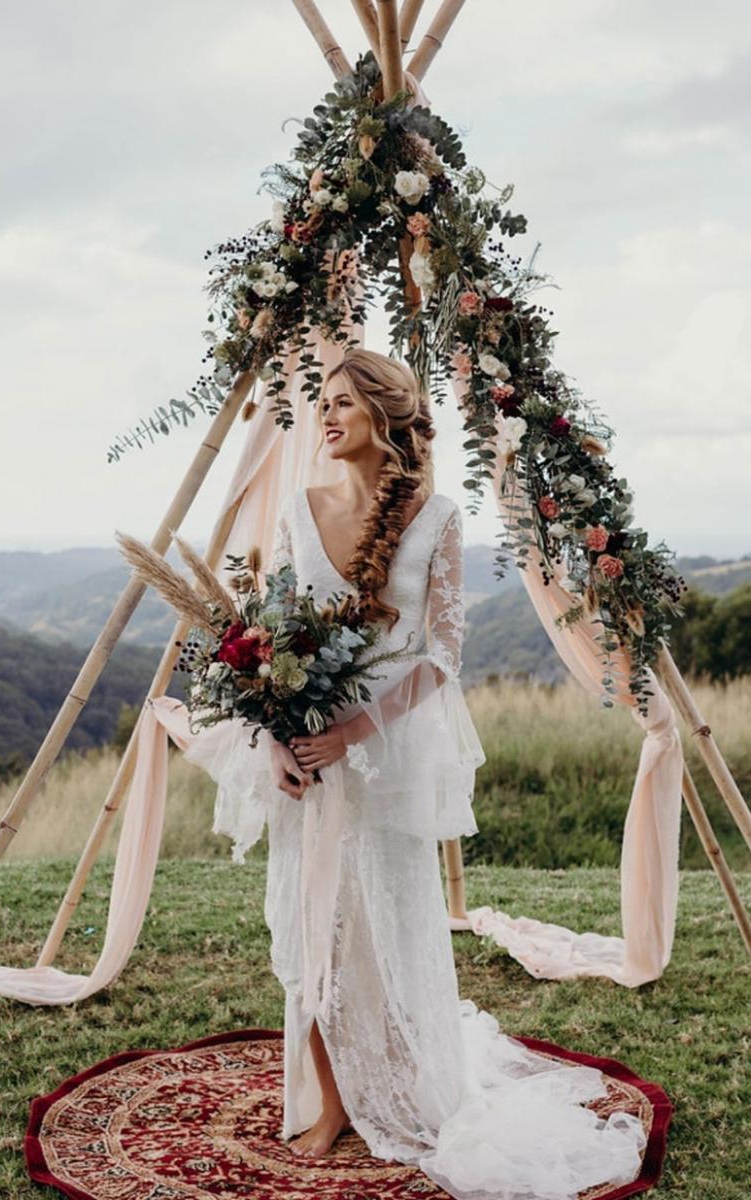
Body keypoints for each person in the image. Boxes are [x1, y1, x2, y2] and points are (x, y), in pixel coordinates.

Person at [188, 348, 648, 1199]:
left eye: (340, 405)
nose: (324, 419)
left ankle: (402, 1081)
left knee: (388, 925)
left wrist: (357, 729)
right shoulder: (296, 508)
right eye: (321, 404)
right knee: (308, 927)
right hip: (305, 751)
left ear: (383, 414)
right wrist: (281, 740)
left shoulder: (435, 517)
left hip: (386, 752)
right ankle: (325, 1100)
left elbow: (441, 653)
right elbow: (269, 638)